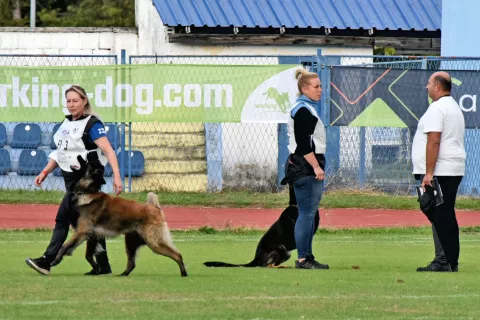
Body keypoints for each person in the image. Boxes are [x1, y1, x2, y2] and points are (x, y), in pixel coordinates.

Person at [25, 85, 123, 276]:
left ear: (85, 101)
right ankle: (103, 266)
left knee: (62, 218)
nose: (71, 105)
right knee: (89, 225)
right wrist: (45, 172)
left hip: (85, 183)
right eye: (68, 101)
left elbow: (109, 150)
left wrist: (117, 177)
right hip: (71, 182)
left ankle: (47, 261)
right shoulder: (66, 124)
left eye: (75, 100)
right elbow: (60, 153)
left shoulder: (92, 124)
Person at [412, 71, 466, 272]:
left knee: (439, 212)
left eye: (429, 83)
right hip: (449, 168)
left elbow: (434, 140)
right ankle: (447, 258)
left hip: (441, 171)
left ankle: (445, 260)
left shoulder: (437, 108)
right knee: (441, 212)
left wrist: (428, 173)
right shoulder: (453, 106)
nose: (426, 87)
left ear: (437, 87)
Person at [280, 68, 329, 270]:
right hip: (305, 165)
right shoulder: (302, 110)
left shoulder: (306, 108)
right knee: (307, 213)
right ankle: (303, 259)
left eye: (320, 86)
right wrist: (316, 166)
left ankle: (307, 256)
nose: (321, 90)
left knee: (309, 212)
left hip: (304, 164)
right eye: (316, 87)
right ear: (305, 88)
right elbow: (303, 144)